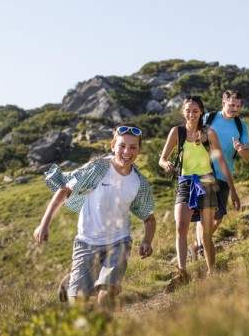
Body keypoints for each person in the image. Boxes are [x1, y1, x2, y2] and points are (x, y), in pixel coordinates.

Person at [33, 124, 156, 314]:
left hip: (118, 242)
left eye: (133, 147)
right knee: (78, 307)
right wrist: (44, 223)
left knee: (105, 296)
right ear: (113, 146)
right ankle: (75, 280)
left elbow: (149, 218)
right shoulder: (97, 169)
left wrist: (147, 240)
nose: (127, 152)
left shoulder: (138, 183)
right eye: (122, 146)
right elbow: (65, 190)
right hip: (86, 242)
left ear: (139, 150)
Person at [158, 95, 237, 283]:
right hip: (185, 183)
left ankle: (212, 271)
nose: (191, 114)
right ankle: (182, 271)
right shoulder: (177, 132)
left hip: (208, 184)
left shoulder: (209, 133)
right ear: (183, 112)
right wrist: (166, 164)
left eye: (195, 111)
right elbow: (162, 158)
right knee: (180, 227)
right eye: (188, 111)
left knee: (206, 232)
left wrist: (232, 189)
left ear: (201, 111)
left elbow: (221, 162)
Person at [193, 89, 248, 257]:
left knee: (218, 217)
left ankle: (197, 244)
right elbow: (191, 134)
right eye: (232, 105)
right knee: (205, 214)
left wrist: (240, 150)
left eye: (238, 106)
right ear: (223, 103)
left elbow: (247, 156)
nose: (235, 109)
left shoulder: (241, 126)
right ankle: (203, 248)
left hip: (224, 176)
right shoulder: (207, 118)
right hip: (202, 173)